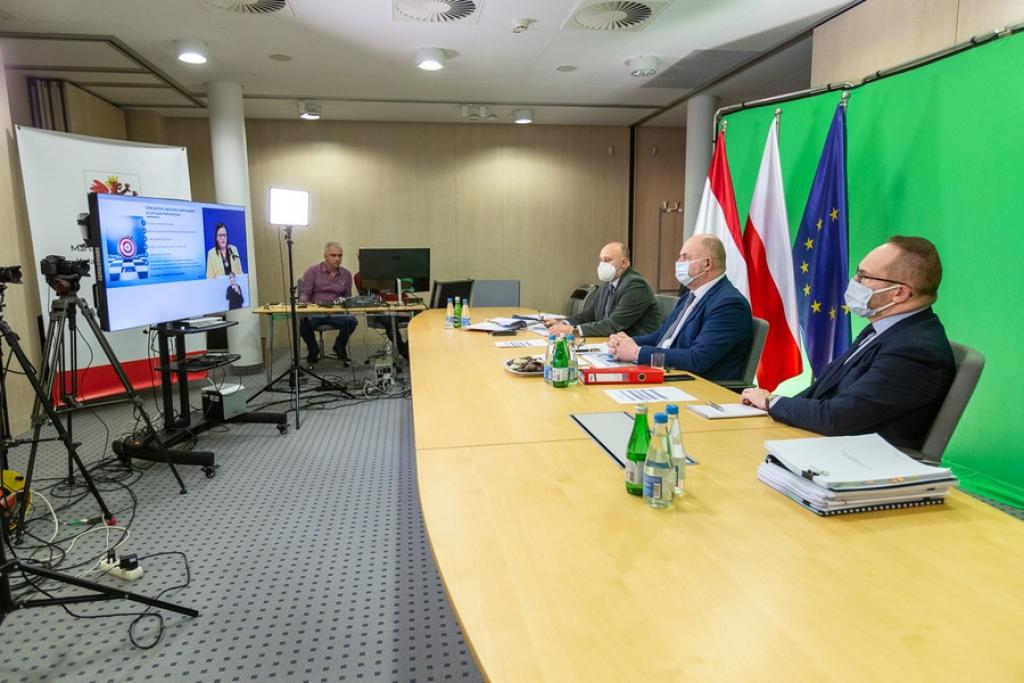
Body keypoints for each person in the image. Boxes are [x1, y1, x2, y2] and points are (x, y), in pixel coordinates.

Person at [742, 236, 955, 450]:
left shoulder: (915, 351)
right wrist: (769, 407)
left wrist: (771, 402)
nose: (854, 281)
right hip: (822, 442)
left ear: (899, 293)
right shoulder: (883, 329)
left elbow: (837, 418)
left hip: (857, 457)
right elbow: (821, 392)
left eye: (863, 276)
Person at [608, 234, 752, 382]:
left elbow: (697, 359)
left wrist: (637, 353)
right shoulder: (690, 295)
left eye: (685, 257)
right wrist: (626, 342)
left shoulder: (729, 304)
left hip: (697, 385)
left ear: (707, 264)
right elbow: (661, 337)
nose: (678, 262)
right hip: (667, 373)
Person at [545, 242, 660, 338]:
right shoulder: (607, 283)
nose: (602, 264)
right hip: (609, 342)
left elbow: (614, 325)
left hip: (635, 346)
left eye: (607, 260)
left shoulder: (635, 285)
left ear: (624, 263)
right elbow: (589, 314)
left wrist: (573, 330)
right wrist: (564, 323)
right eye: (601, 260)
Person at [298, 241, 358, 365]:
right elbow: (305, 294)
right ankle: (313, 349)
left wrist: (340, 308)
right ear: (325, 256)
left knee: (352, 321)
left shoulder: (346, 274)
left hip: (336, 312)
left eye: (340, 255)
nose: (337, 258)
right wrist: (306, 303)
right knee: (303, 324)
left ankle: (339, 346)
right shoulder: (312, 271)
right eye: (333, 255)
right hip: (317, 312)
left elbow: (347, 298)